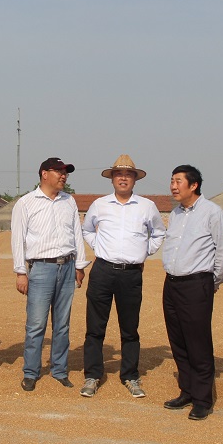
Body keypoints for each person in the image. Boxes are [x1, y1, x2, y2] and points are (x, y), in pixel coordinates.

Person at [80, 154, 165, 399]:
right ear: (112, 179)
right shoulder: (100, 205)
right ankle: (92, 375)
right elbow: (87, 230)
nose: (123, 178)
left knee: (130, 328)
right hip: (103, 271)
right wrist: (98, 246)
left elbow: (159, 233)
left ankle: (130, 375)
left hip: (131, 274)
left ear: (135, 179)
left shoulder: (147, 206)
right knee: (95, 327)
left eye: (128, 175)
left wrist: (144, 251)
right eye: (119, 174)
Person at [11, 157, 90, 391]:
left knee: (62, 324)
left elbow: (76, 234)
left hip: (67, 266)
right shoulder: (26, 203)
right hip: (41, 268)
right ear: (44, 174)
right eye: (59, 171)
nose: (64, 176)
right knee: (36, 324)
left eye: (66, 172)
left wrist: (80, 265)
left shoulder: (69, 201)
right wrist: (20, 272)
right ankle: (31, 372)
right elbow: (18, 240)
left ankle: (59, 370)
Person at [161, 165, 223, 421]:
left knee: (198, 342)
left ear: (194, 185)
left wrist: (211, 282)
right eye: (172, 181)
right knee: (178, 340)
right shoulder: (176, 213)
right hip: (172, 284)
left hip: (197, 284)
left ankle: (202, 399)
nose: (173, 186)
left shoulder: (213, 213)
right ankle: (187, 390)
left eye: (178, 181)